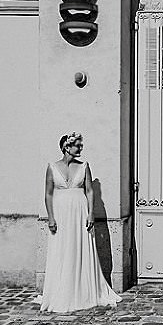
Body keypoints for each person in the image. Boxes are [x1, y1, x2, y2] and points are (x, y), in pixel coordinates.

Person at [37, 132, 121, 313]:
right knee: (61, 249)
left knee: (79, 248)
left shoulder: (84, 166)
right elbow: (48, 193)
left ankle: (83, 291)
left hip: (79, 213)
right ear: (67, 147)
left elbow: (89, 191)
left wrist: (91, 214)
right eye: (77, 145)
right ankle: (61, 291)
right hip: (61, 214)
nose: (81, 148)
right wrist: (50, 217)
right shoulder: (52, 167)